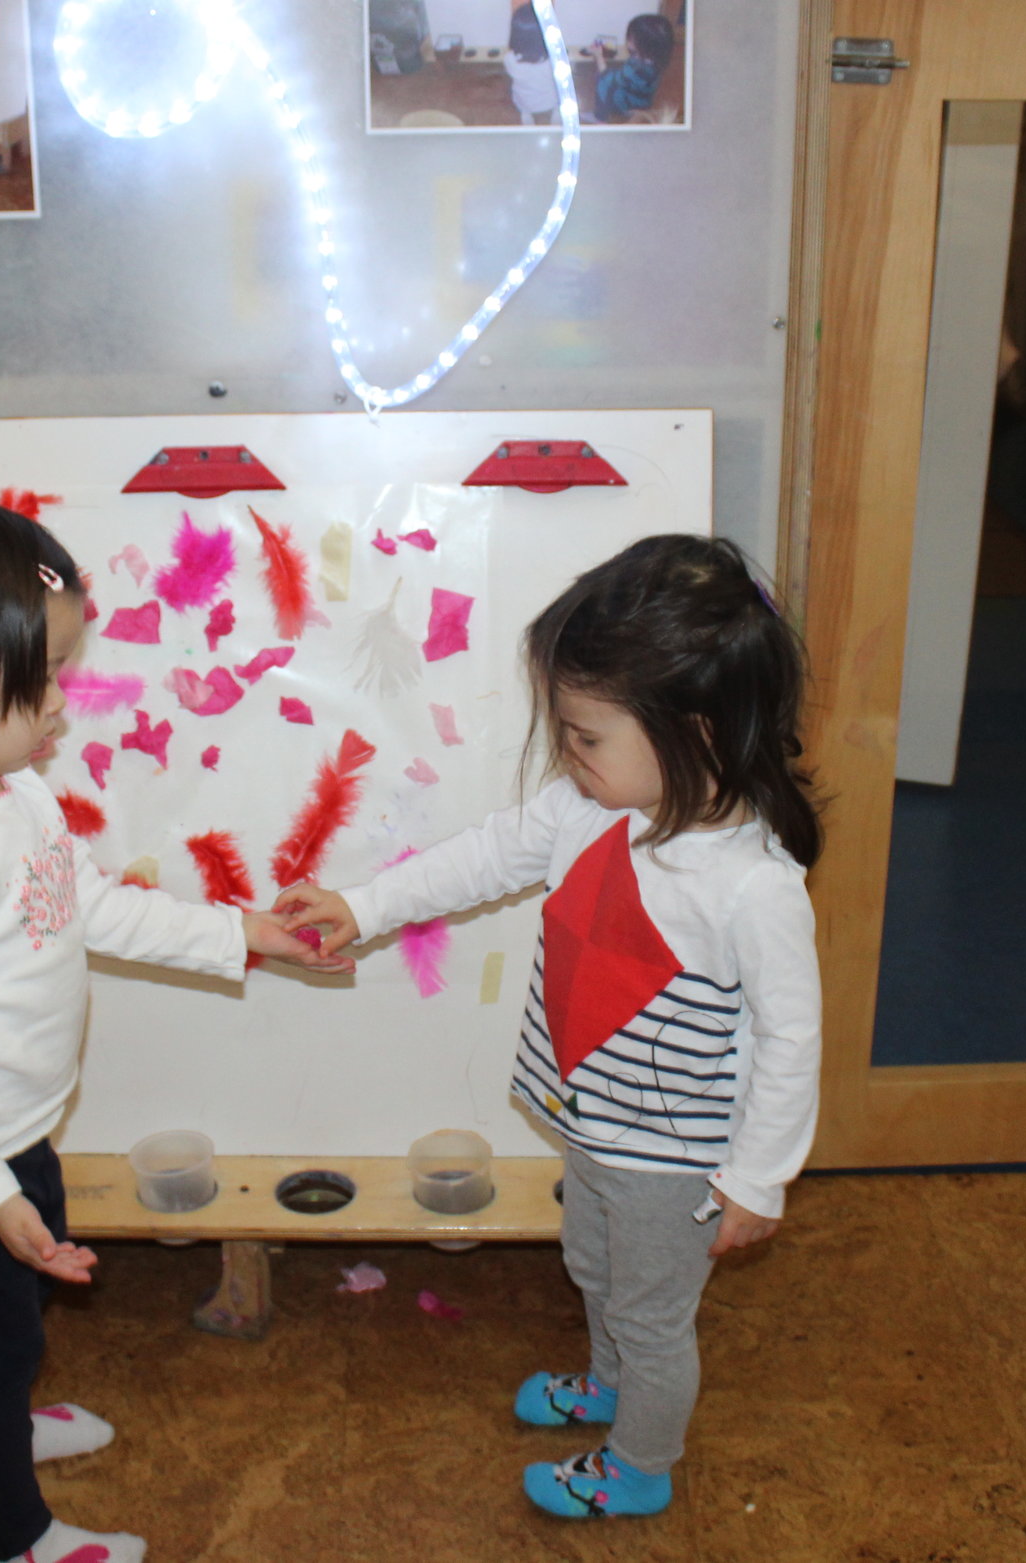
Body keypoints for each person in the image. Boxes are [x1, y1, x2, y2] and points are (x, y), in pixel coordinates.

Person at [0, 494, 348, 1563]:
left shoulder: (15, 793)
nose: (64, 703)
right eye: (40, 679)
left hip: (16, 1128)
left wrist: (241, 933)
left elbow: (91, 906)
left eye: (60, 669)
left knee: (14, 1319)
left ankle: (5, 1423)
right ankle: (8, 1533)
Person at [275, 534, 823, 1521]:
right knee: (594, 1268)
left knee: (654, 1316)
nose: (568, 754)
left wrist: (757, 1175)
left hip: (676, 1160)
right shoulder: (590, 810)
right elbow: (482, 856)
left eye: (585, 734)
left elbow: (790, 1042)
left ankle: (641, 1460)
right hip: (595, 1125)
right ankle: (610, 1387)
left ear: (695, 730)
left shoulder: (753, 885)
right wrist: (364, 904)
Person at [593, 13, 676, 123]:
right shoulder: (656, 61)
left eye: (630, 39)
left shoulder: (636, 68)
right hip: (644, 101)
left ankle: (600, 118)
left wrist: (599, 56)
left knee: (603, 83)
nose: (627, 42)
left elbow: (610, 77)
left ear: (645, 44)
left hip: (629, 104)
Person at [504, 0, 560, 125]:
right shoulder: (555, 61)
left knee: (522, 97)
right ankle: (556, 116)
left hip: (523, 102)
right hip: (550, 102)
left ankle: (526, 115)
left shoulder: (509, 59)